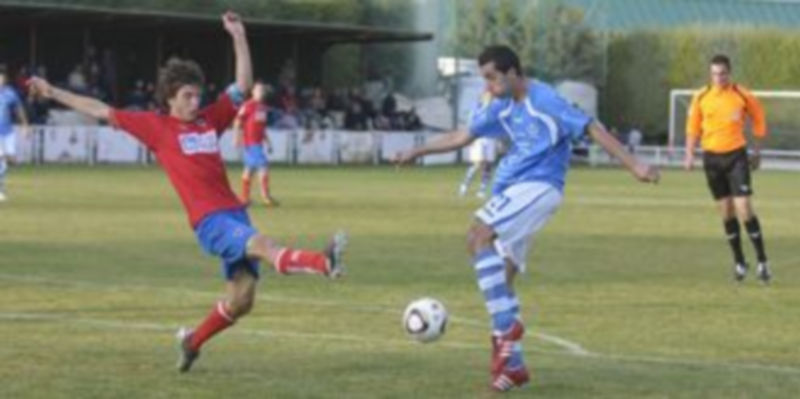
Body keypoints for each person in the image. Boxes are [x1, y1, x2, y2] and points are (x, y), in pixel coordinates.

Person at [27, 12, 347, 373]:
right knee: (266, 246)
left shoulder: (211, 119)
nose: (196, 101)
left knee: (242, 299)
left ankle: (192, 342)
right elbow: (100, 110)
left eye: (198, 94)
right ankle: (323, 262)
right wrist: (52, 91)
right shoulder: (156, 127)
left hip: (235, 214)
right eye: (188, 95)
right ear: (171, 100)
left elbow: (241, 85)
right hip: (211, 222)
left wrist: (239, 36)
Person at [394, 45, 659, 392]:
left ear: (514, 73)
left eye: (491, 77)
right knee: (503, 279)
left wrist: (635, 164)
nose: (486, 85)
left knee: (477, 237)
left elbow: (592, 128)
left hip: (538, 186)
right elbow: (463, 135)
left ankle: (506, 328)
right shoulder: (498, 102)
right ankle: (513, 365)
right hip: (510, 191)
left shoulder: (546, 100)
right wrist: (419, 150)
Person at [684, 54, 771, 283]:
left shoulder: (742, 95)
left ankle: (763, 261)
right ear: (710, 74)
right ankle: (740, 262)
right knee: (726, 213)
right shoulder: (701, 96)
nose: (718, 78)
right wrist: (689, 154)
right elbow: (692, 127)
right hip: (712, 160)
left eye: (722, 73)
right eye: (714, 74)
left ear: (729, 73)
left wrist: (757, 149)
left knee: (744, 208)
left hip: (737, 157)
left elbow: (759, 118)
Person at [234, 81, 278, 206]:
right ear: (253, 92)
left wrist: (268, 142)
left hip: (257, 143)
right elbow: (238, 121)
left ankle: (244, 198)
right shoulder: (248, 105)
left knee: (249, 170)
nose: (261, 92)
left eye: (262, 90)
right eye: (258, 90)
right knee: (263, 166)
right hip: (251, 143)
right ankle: (265, 197)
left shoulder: (262, 107)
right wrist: (237, 138)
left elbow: (261, 128)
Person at [0, 66, 30, 201]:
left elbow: (19, 109)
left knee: (9, 160)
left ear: (5, 80)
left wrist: (25, 125)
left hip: (8, 133)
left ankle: (1, 188)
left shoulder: (10, 93)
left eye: (1, 78)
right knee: (1, 158)